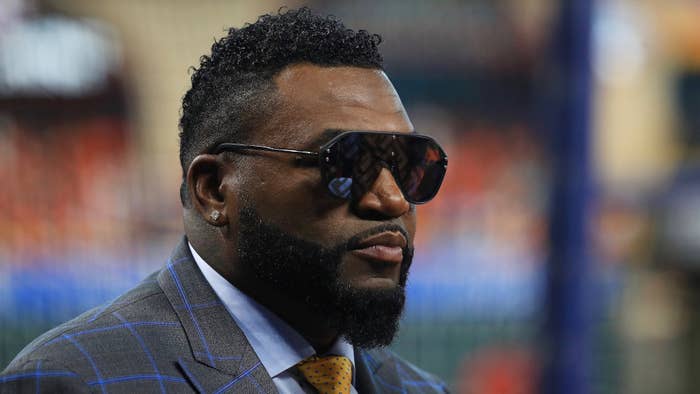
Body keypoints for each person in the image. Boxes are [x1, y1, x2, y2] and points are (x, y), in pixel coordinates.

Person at [0, 7, 449, 393]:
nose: (392, 199)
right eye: (347, 161)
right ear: (213, 188)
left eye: (409, 162)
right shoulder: (74, 380)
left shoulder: (421, 389)